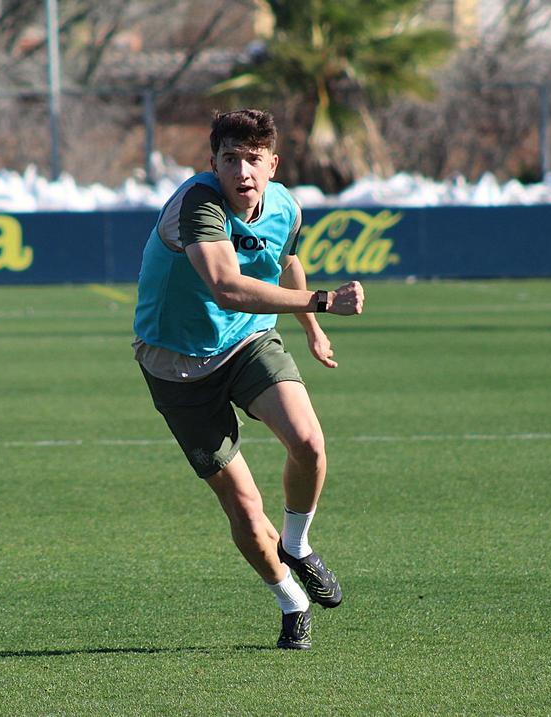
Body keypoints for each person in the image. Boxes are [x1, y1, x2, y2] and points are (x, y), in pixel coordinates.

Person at [132, 109, 365, 650]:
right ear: (212, 164)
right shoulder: (198, 205)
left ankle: (297, 544)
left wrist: (311, 329)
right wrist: (323, 302)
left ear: (273, 165)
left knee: (309, 442)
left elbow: (285, 261)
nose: (242, 171)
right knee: (244, 506)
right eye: (230, 159)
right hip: (176, 365)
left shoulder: (286, 206)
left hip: (247, 342)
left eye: (254, 160)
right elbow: (227, 287)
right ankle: (291, 600)